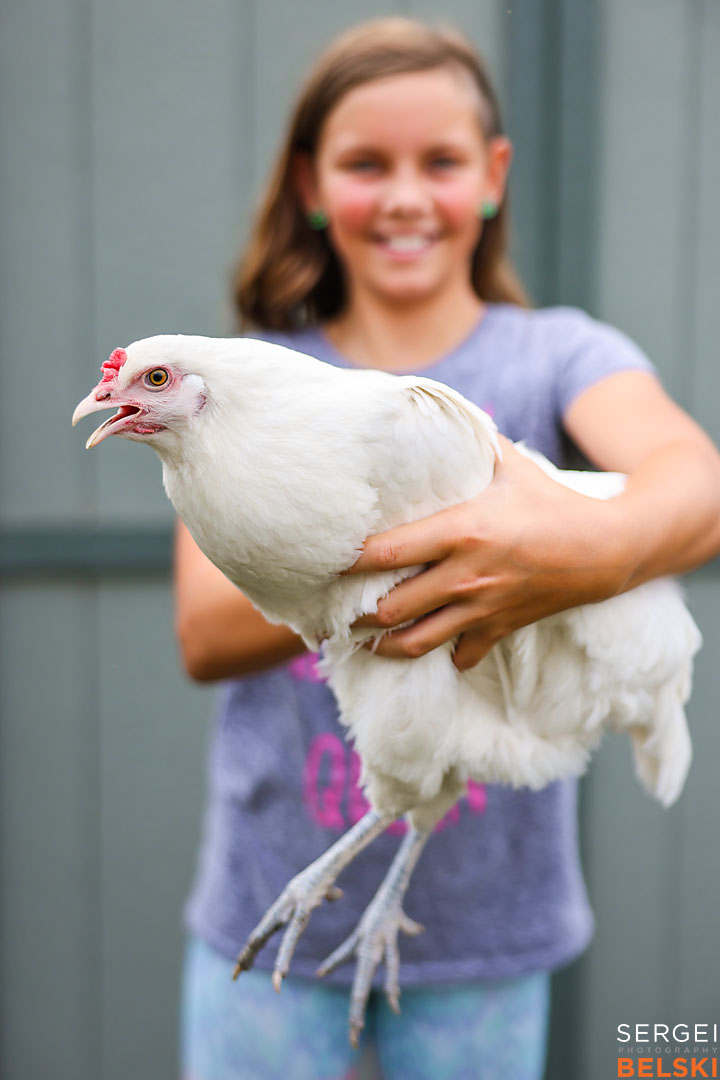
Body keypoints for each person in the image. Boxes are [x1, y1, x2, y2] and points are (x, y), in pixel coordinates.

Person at [176, 18, 720, 1080]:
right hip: (266, 885)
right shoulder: (253, 381)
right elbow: (203, 629)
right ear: (312, 185)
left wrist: (582, 552)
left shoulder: (557, 354)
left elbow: (694, 487)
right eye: (367, 164)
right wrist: (391, 561)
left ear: (493, 177)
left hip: (490, 925)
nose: (407, 196)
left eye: (441, 161)